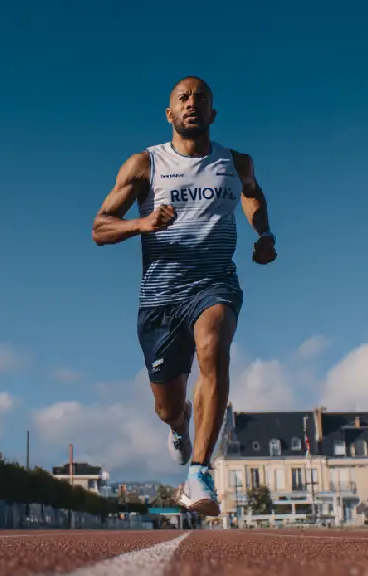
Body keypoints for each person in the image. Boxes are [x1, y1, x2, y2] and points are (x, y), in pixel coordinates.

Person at [91, 76, 277, 516]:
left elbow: (252, 195)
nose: (192, 103)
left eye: (201, 99)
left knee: (214, 347)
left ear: (212, 114)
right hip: (160, 297)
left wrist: (264, 234)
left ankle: (198, 473)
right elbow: (99, 227)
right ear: (171, 114)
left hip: (214, 281)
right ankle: (180, 427)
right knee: (168, 406)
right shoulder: (144, 165)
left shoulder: (237, 162)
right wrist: (142, 223)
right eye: (184, 98)